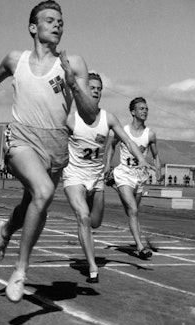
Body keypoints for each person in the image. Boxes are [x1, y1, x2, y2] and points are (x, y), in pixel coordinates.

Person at [0, 0, 99, 303]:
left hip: (57, 146)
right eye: (50, 20)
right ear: (33, 27)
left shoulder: (74, 63)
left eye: (61, 20)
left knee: (33, 205)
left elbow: (89, 115)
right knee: (44, 192)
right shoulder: (15, 59)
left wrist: (73, 85)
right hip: (21, 138)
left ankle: (6, 230)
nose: (58, 24)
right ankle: (20, 270)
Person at [63, 73, 152, 283]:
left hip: (96, 178)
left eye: (99, 88)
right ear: (83, 91)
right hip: (74, 175)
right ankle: (93, 267)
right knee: (83, 216)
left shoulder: (108, 118)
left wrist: (141, 158)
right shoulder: (70, 119)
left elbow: (128, 141)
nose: (96, 91)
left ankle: (87, 237)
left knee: (95, 222)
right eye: (91, 87)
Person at [104, 97, 161, 259]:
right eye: (141, 108)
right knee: (133, 210)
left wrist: (158, 169)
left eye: (146, 109)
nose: (145, 111)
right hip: (124, 174)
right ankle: (140, 246)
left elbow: (156, 155)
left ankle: (113, 184)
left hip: (139, 177)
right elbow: (111, 146)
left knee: (131, 212)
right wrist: (108, 164)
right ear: (133, 112)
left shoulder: (150, 134)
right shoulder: (124, 131)